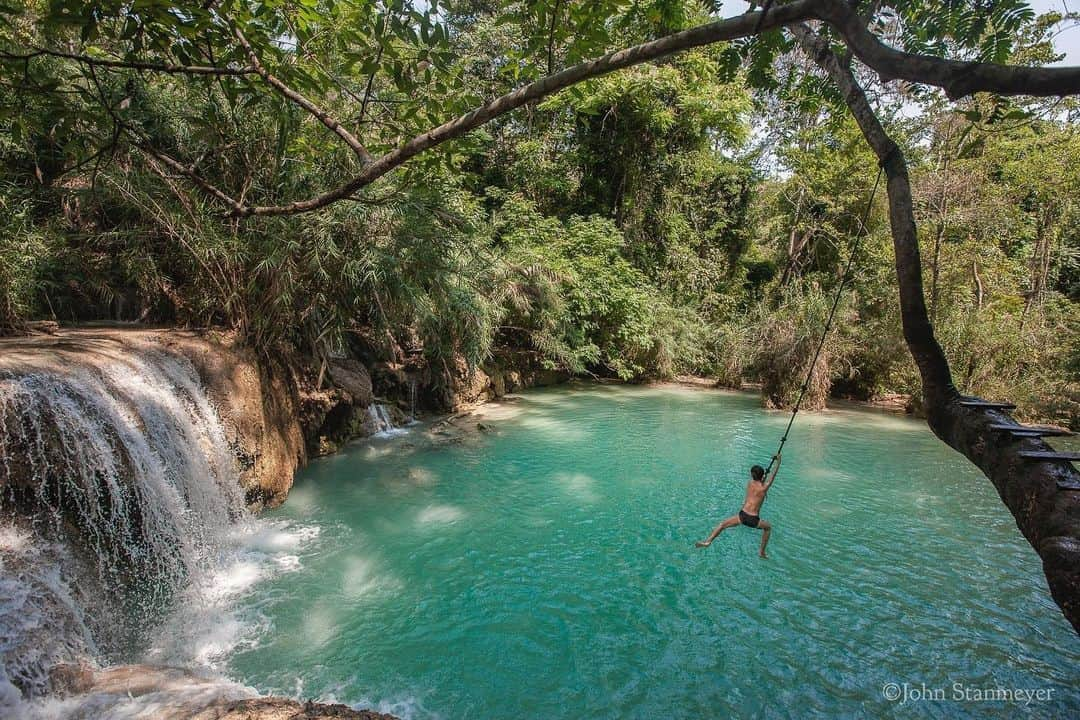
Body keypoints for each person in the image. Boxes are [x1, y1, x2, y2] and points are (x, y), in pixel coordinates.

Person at [694, 453, 780, 558]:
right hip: (753, 519)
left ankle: (708, 541)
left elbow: (758, 481)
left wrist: (763, 477)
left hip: (742, 516)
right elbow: (773, 476)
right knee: (768, 528)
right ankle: (762, 552)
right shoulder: (763, 488)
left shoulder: (750, 483)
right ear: (762, 476)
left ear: (752, 475)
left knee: (722, 525)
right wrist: (778, 461)